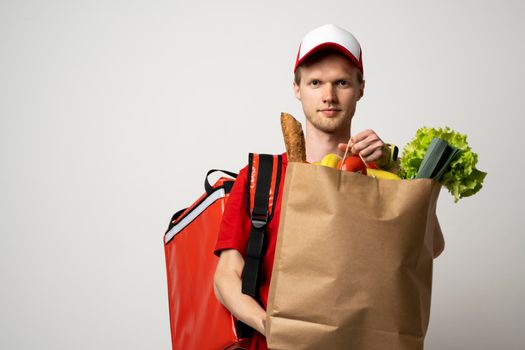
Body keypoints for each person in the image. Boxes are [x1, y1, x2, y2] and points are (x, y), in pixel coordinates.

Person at [213, 24, 445, 350]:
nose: (328, 96)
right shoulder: (261, 177)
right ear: (297, 89)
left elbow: (431, 247)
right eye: (315, 82)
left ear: (361, 89)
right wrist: (271, 325)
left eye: (342, 82)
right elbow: (226, 278)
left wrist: (393, 169)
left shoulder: (381, 177)